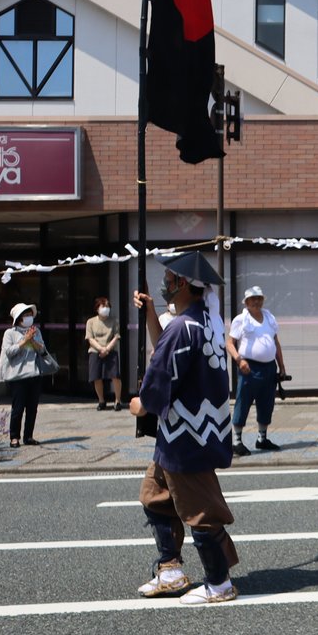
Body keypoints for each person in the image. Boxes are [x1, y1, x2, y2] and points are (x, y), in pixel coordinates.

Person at [129, 251, 239, 605]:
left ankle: (219, 584)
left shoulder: (183, 327)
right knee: (156, 497)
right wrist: (149, 312)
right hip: (190, 431)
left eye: (171, 278)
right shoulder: (206, 322)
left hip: (185, 435)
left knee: (200, 509)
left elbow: (162, 372)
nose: (166, 283)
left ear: (184, 285)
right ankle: (171, 570)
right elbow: (166, 348)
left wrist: (141, 405)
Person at [226, 286, 288, 455]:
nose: (257, 301)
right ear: (246, 302)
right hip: (249, 367)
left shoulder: (269, 317)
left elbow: (275, 342)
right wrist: (239, 360)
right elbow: (229, 343)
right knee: (243, 401)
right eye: (253, 299)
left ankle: (262, 438)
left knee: (267, 402)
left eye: (259, 298)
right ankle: (237, 441)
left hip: (269, 367)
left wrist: (281, 365)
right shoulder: (241, 319)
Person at [0, 303, 46, 448]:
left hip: (34, 373)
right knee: (18, 407)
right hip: (18, 375)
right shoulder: (10, 333)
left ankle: (29, 436)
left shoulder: (36, 331)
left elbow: (43, 350)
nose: (29, 318)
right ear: (19, 318)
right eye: (25, 315)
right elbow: (9, 352)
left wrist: (33, 340)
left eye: (30, 315)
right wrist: (24, 341)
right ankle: (14, 437)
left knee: (32, 407)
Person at [85, 296, 123, 411]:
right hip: (95, 351)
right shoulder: (90, 322)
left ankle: (117, 400)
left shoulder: (114, 321)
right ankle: (101, 400)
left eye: (107, 306)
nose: (106, 309)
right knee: (97, 377)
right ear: (97, 308)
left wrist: (107, 349)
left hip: (110, 351)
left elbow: (116, 336)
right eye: (103, 306)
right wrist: (101, 349)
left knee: (115, 376)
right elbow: (90, 338)